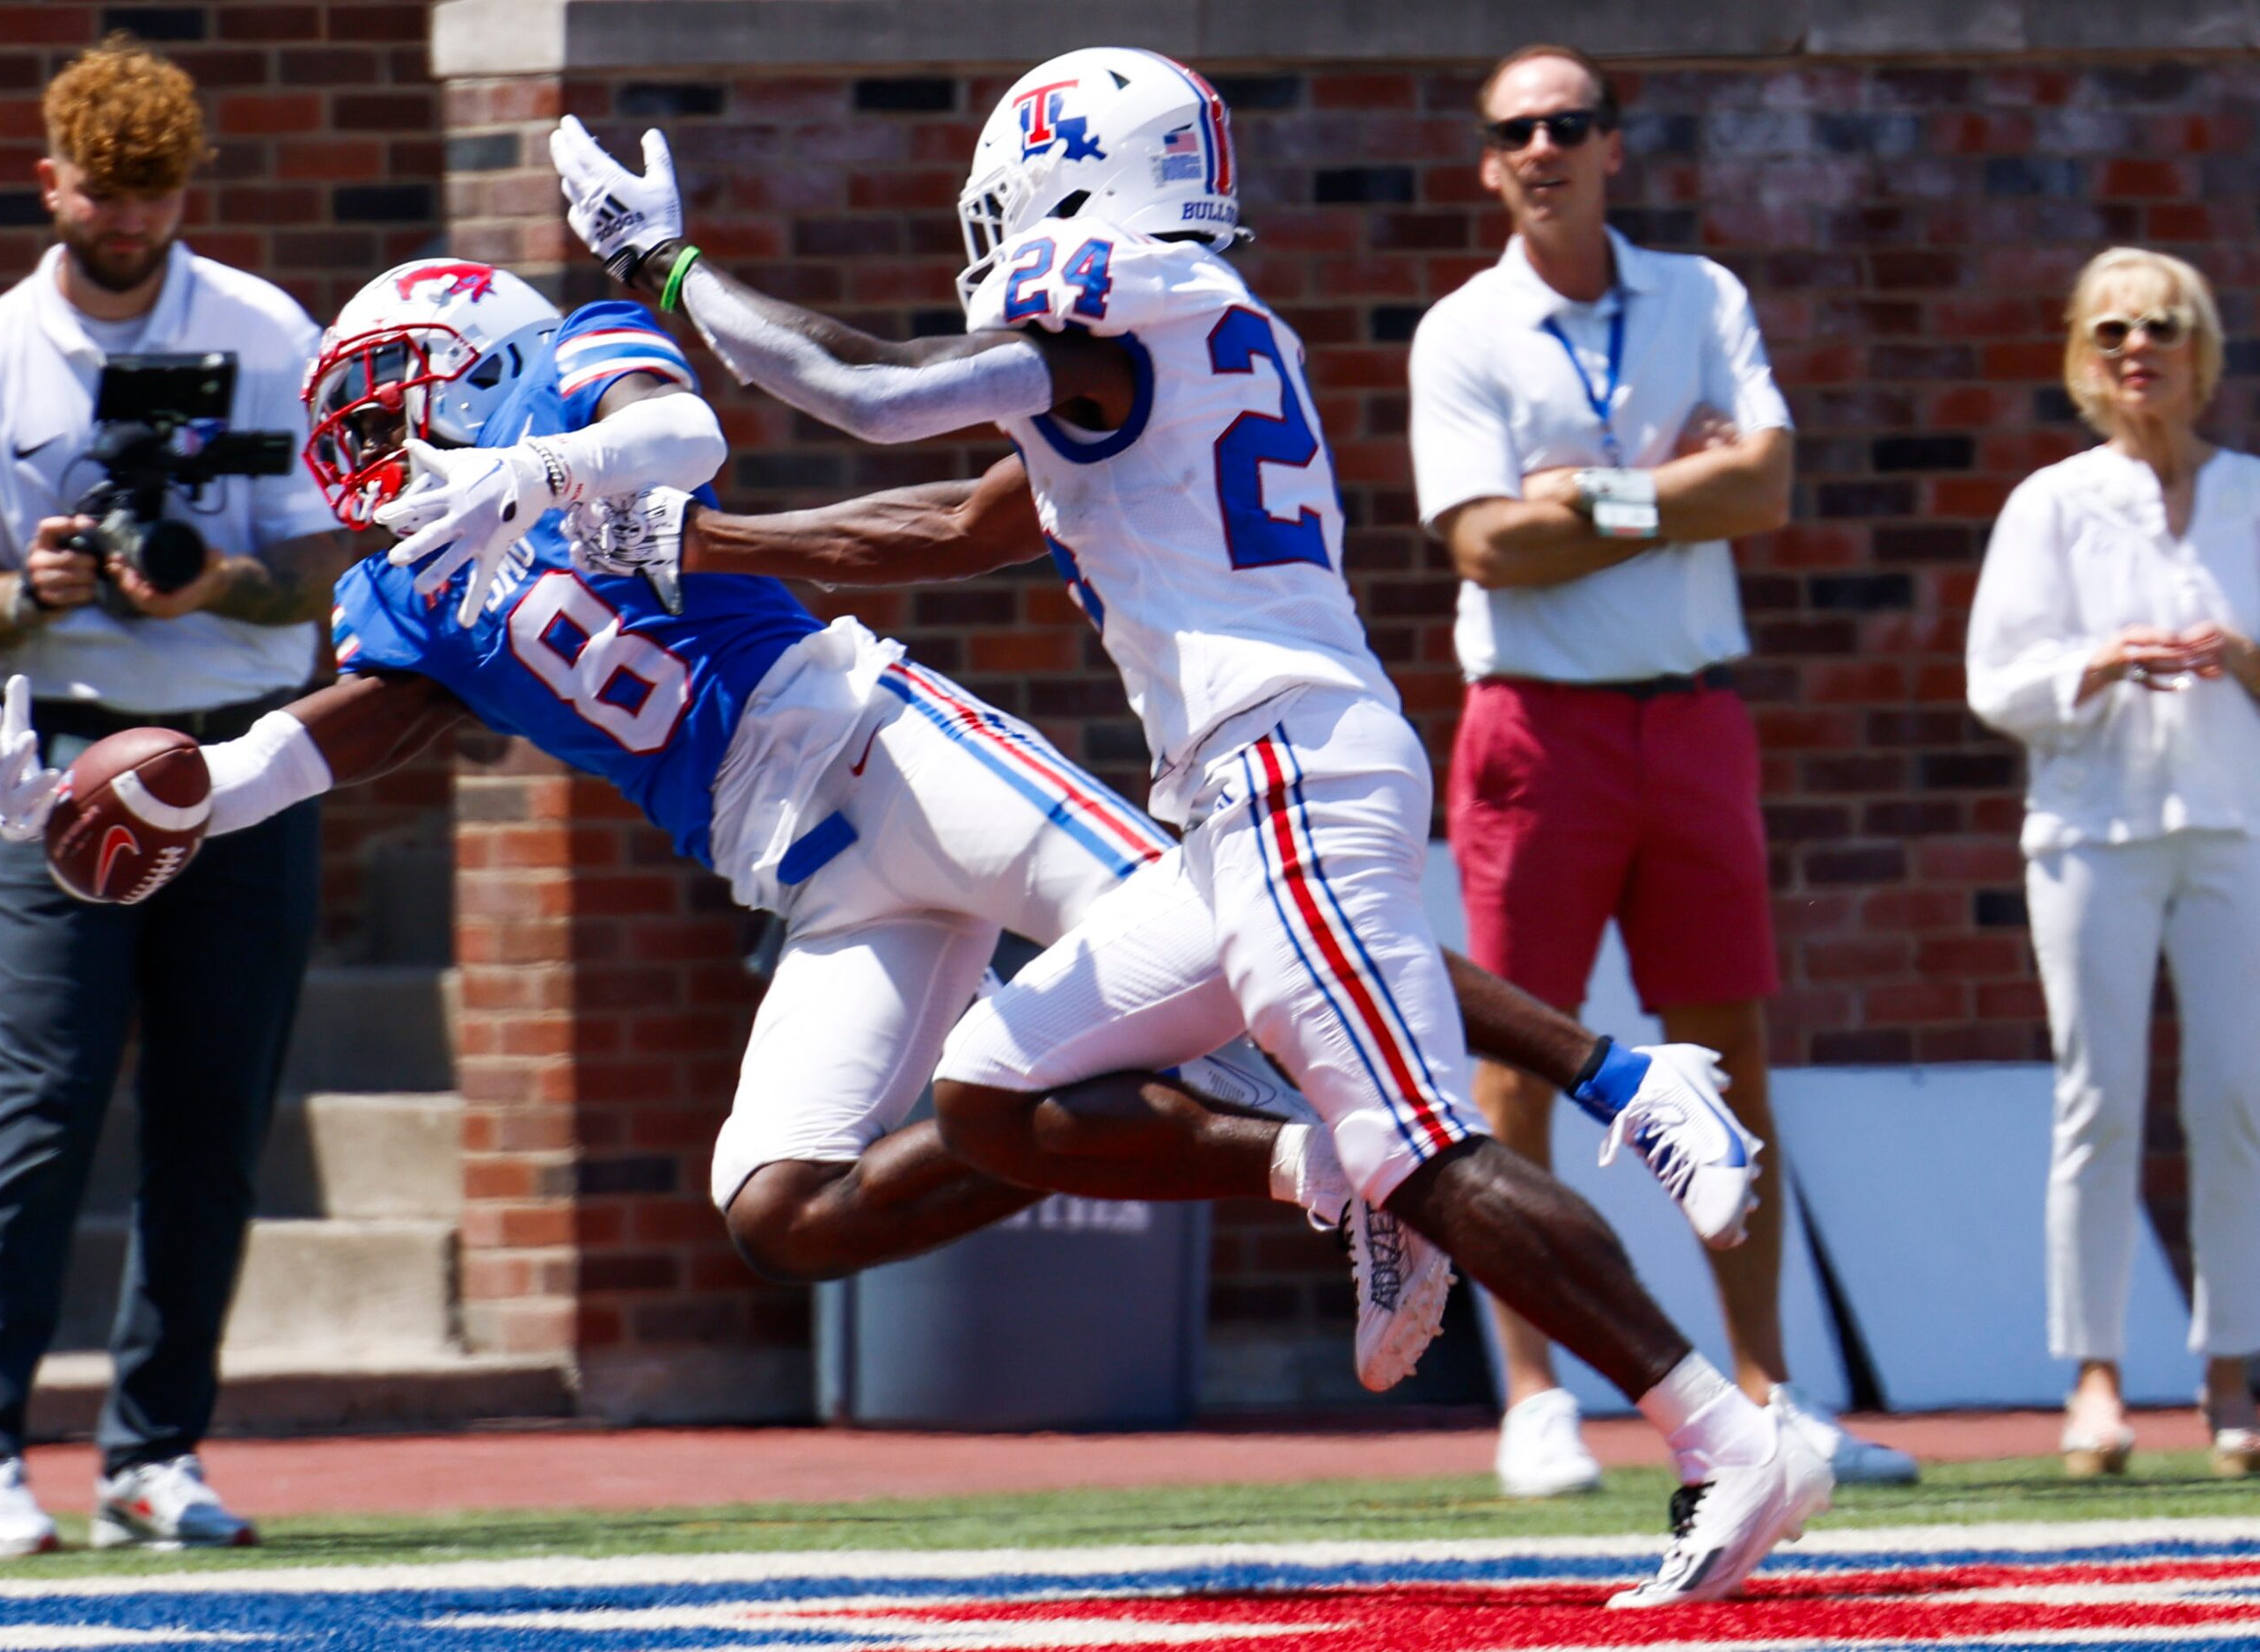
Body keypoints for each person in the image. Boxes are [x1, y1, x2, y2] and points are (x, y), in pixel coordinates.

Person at [0, 258, 1739, 1416]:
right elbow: (332, 735)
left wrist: (536, 474)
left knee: (1259, 929)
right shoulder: (402, 587)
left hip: (890, 748)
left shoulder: (564, 381)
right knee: (779, 1211)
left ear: (459, 350)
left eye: (387, 401)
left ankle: (1614, 1078)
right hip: (808, 881)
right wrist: (169, 795)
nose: (367, 447)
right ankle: (1303, 1170)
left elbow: (678, 429)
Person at [547, 48, 1827, 1605]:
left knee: (1424, 1143)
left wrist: (666, 269)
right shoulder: (1185, 333)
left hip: (1280, 761)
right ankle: (1347, 1167)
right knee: (990, 1094)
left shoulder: (1126, 298)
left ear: (1075, 173)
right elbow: (954, 524)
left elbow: (872, 394)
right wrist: (696, 546)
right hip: (1237, 795)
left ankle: (1727, 1433)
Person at [1406, 42, 1917, 1496]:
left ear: (1615, 144)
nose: (1547, 146)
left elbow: (1766, 485)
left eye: (1572, 121)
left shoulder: (1703, 295)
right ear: (1490, 161)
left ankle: (1768, 1393)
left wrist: (1606, 496)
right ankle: (1535, 1397)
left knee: (1729, 1053)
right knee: (1520, 1057)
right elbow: (1486, 543)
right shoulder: (1464, 332)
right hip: (1536, 724)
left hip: (1692, 715)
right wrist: (1678, 498)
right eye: (1519, 129)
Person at [0, 39, 355, 1558]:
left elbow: (330, 554)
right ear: (52, 182)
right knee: (41, 1099)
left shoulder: (269, 331)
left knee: (215, 1112)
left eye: (160, 196)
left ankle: (155, 1450)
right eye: (109, 194)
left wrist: (216, 581)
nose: (135, 222)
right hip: (54, 756)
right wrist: (25, 591)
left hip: (237, 752)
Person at [1967, 247, 2260, 1480]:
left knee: (2238, 1096)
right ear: (2085, 358)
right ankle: (2094, 1374)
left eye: (2162, 328)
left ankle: (2232, 1366)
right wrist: (2101, 660)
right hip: (2092, 833)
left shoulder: (2251, 491)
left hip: (2232, 824)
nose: (2138, 348)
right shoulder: (2052, 501)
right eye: (2111, 331)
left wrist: (2241, 655)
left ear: (2201, 349)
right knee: (2101, 1097)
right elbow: (1997, 683)